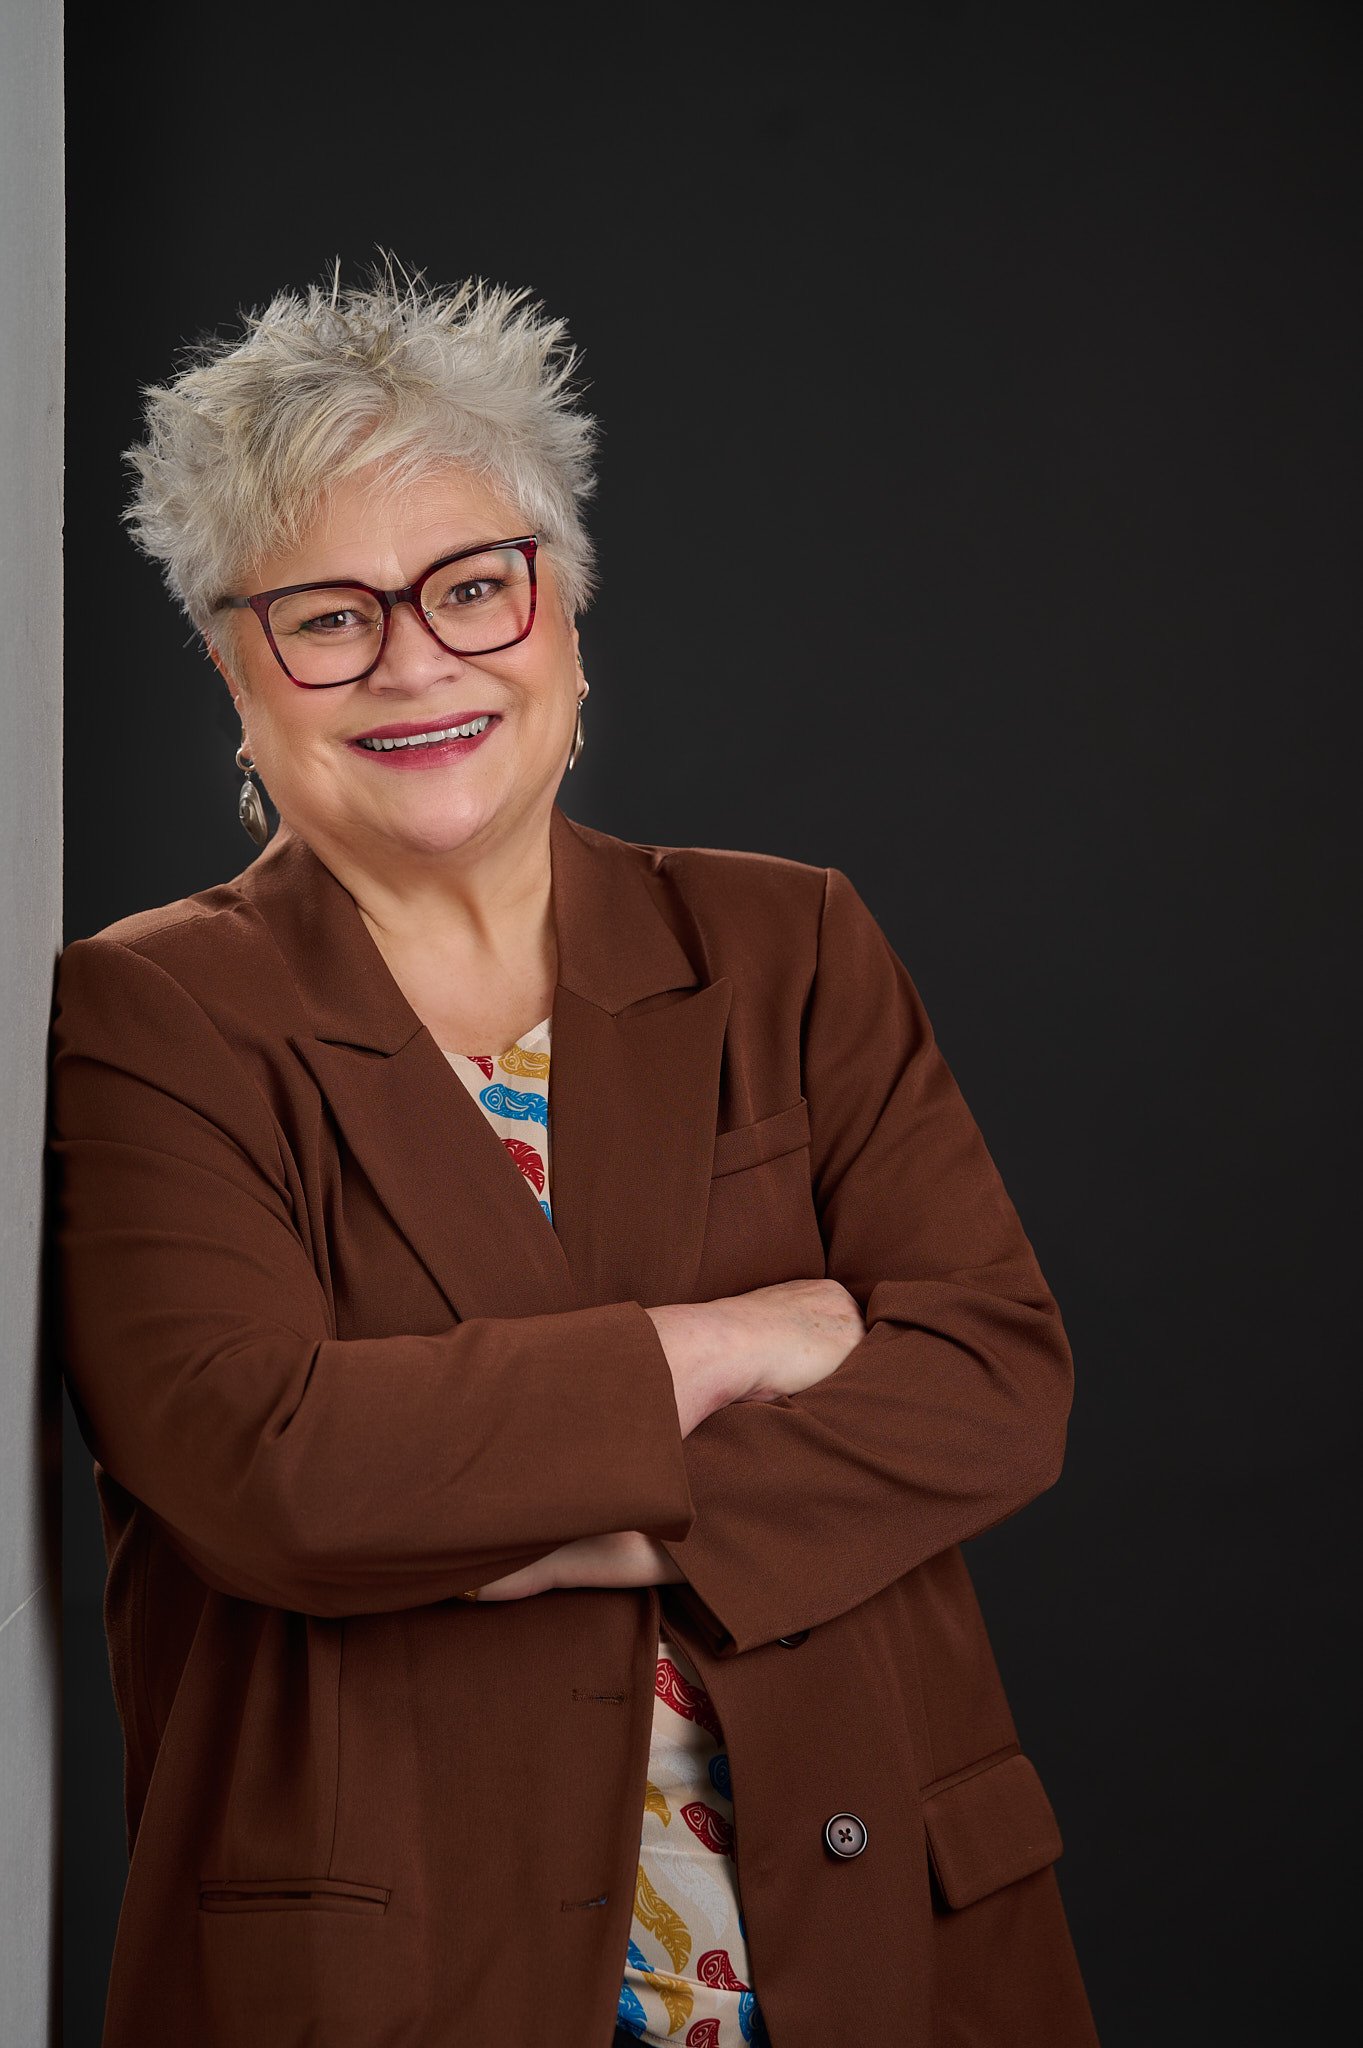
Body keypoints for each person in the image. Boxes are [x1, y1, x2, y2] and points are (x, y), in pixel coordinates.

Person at [50, 262, 1099, 2048]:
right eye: (328, 616)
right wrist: (738, 1341)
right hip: (396, 1977)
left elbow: (995, 1381)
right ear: (235, 669)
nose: (417, 661)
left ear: (568, 613)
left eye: (474, 587)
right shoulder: (153, 1013)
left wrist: (587, 1531)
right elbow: (270, 1466)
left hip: (882, 1943)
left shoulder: (788, 946)